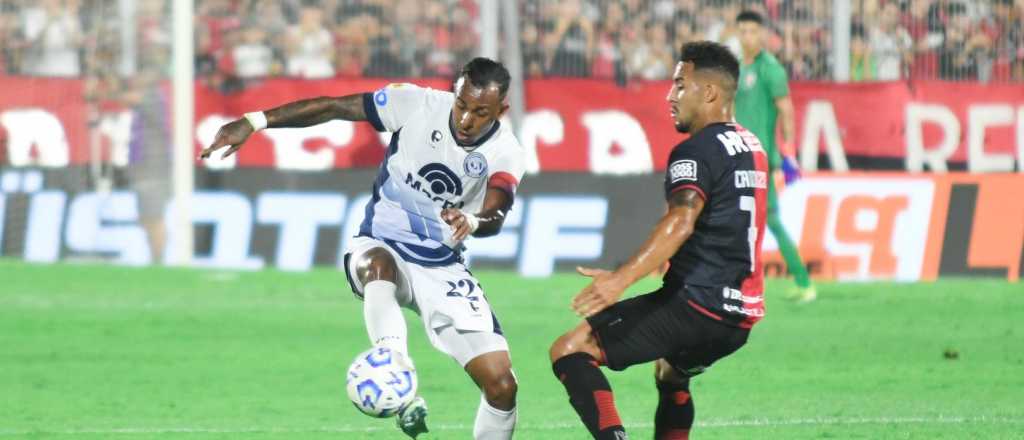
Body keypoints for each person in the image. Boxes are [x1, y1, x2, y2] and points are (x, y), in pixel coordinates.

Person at [200, 58, 525, 440]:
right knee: (378, 264)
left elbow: (497, 210)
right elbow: (334, 107)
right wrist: (255, 121)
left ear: (501, 110)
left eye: (480, 112)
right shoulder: (417, 104)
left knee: (502, 385)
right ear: (454, 92)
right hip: (379, 241)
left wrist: (474, 222)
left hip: (441, 266)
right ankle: (393, 364)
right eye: (462, 104)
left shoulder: (506, 152)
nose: (466, 118)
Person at [549, 41, 767, 440]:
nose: (670, 96)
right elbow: (720, 227)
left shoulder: (696, 150)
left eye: (680, 85)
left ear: (709, 92)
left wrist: (619, 281)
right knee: (671, 374)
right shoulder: (752, 146)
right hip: (740, 319)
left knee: (570, 349)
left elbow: (681, 221)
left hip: (697, 307)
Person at [734, 10, 815, 301]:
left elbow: (787, 110)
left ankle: (804, 284)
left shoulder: (770, 69)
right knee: (757, 220)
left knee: (766, 220)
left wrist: (789, 152)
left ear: (763, 35)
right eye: (742, 31)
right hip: (737, 154)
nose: (747, 37)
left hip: (758, 157)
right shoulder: (738, 67)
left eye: (752, 32)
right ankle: (801, 282)